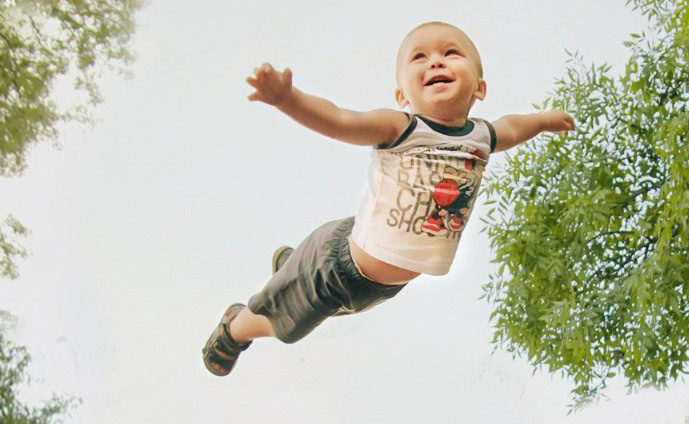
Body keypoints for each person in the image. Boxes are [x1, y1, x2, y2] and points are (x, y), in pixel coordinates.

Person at [202, 21, 575, 376]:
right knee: (288, 325)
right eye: (420, 58)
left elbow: (513, 125)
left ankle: (291, 266)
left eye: (450, 53)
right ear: (402, 96)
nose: (436, 61)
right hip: (340, 266)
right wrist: (288, 99)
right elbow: (340, 120)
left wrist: (543, 120)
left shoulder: (482, 137)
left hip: (382, 285)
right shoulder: (402, 128)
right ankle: (237, 325)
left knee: (329, 311)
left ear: (480, 87)